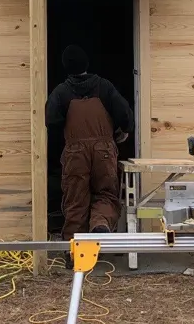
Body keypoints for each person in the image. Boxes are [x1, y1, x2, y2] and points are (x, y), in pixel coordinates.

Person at [46, 45, 134, 240]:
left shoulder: (61, 92)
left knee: (76, 199)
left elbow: (51, 122)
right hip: (104, 150)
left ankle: (74, 250)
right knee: (106, 194)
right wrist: (123, 132)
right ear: (87, 64)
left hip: (75, 153)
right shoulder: (104, 87)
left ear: (66, 67)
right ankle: (100, 226)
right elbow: (126, 115)